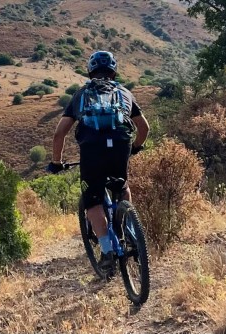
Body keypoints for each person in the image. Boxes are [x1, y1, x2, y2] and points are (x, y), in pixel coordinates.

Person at [46, 51, 150, 273]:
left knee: (92, 199)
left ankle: (106, 252)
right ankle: (129, 229)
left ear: (90, 70)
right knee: (122, 185)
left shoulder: (81, 94)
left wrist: (56, 162)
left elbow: (59, 134)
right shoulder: (124, 93)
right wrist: (136, 147)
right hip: (121, 144)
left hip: (92, 149)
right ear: (114, 71)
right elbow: (144, 128)